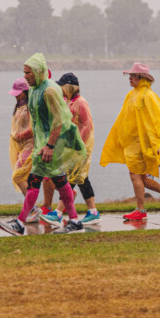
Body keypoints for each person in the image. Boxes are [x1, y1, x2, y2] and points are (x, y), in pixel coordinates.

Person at [0, 54, 88, 236]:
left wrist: (50, 146)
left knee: (39, 181)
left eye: (28, 73)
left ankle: (21, 222)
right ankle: (74, 221)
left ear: (38, 72)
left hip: (51, 145)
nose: (25, 77)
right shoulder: (36, 89)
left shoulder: (49, 91)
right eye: (24, 73)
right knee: (56, 182)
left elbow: (58, 121)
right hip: (42, 145)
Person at [99, 63, 160, 221]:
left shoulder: (148, 95)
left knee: (135, 175)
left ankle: (141, 210)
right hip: (133, 144)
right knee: (143, 179)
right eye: (130, 76)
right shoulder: (132, 94)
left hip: (142, 144)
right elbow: (124, 118)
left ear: (141, 78)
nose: (130, 79)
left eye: (132, 76)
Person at [40, 73, 100, 225]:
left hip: (79, 147)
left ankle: (59, 212)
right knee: (81, 179)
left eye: (62, 86)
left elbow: (86, 125)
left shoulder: (81, 103)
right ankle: (92, 211)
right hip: (71, 147)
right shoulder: (68, 102)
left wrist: (78, 145)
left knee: (68, 179)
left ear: (70, 87)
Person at [7, 78, 36, 202]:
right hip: (23, 146)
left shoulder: (30, 106)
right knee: (44, 177)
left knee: (18, 175)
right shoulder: (19, 106)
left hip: (31, 145)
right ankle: (68, 193)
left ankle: (32, 208)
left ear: (25, 91)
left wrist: (21, 135)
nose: (16, 96)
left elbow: (35, 127)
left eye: (18, 93)